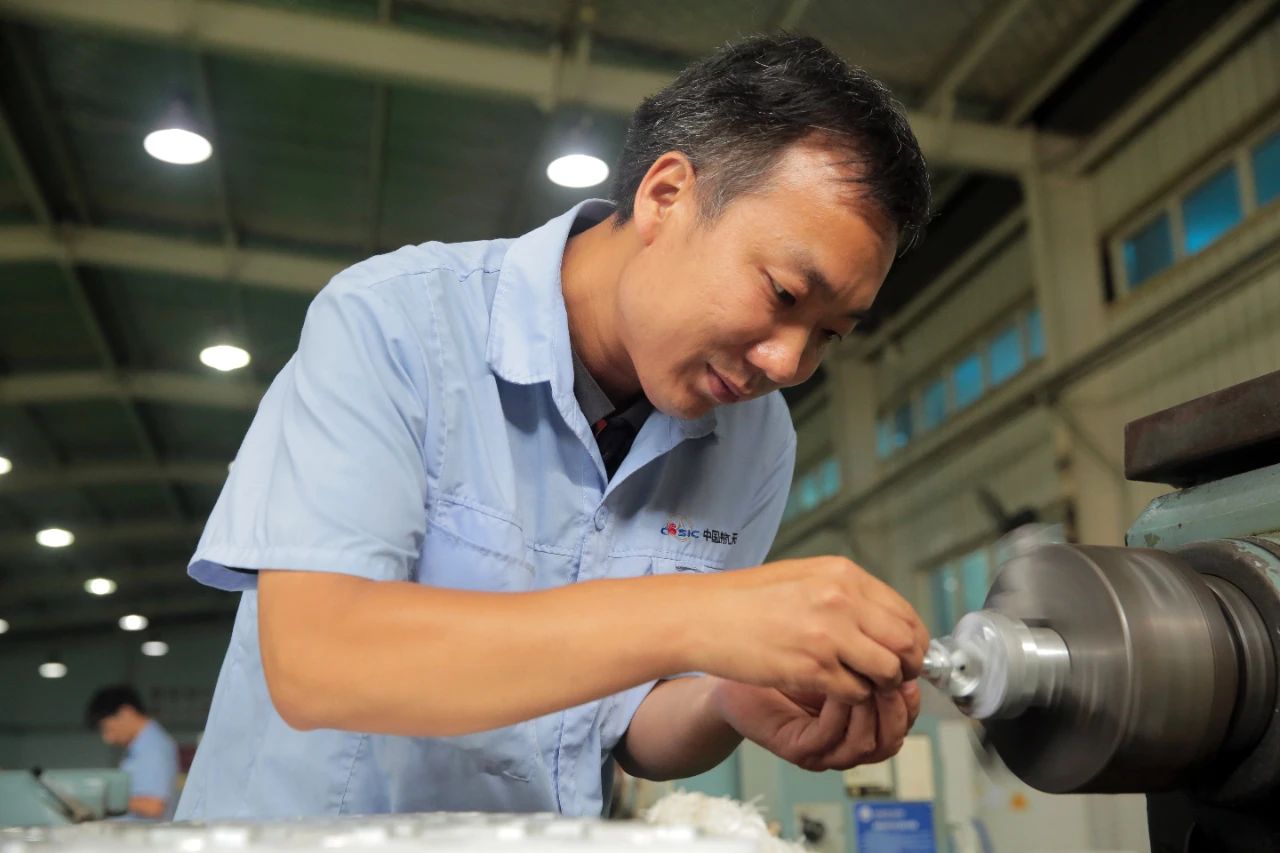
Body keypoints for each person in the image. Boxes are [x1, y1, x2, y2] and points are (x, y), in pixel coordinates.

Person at [177, 33, 933, 820]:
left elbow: (626, 723)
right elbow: (319, 661)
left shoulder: (756, 438)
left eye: (829, 334)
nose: (787, 361)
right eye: (783, 294)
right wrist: (705, 617)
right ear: (666, 197)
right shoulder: (393, 324)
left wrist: (727, 700)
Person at [85, 685, 179, 820]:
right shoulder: (141, 746)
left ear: (126, 713)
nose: (108, 738)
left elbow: (154, 806)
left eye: (107, 728)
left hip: (145, 833)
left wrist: (98, 800)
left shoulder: (153, 747)